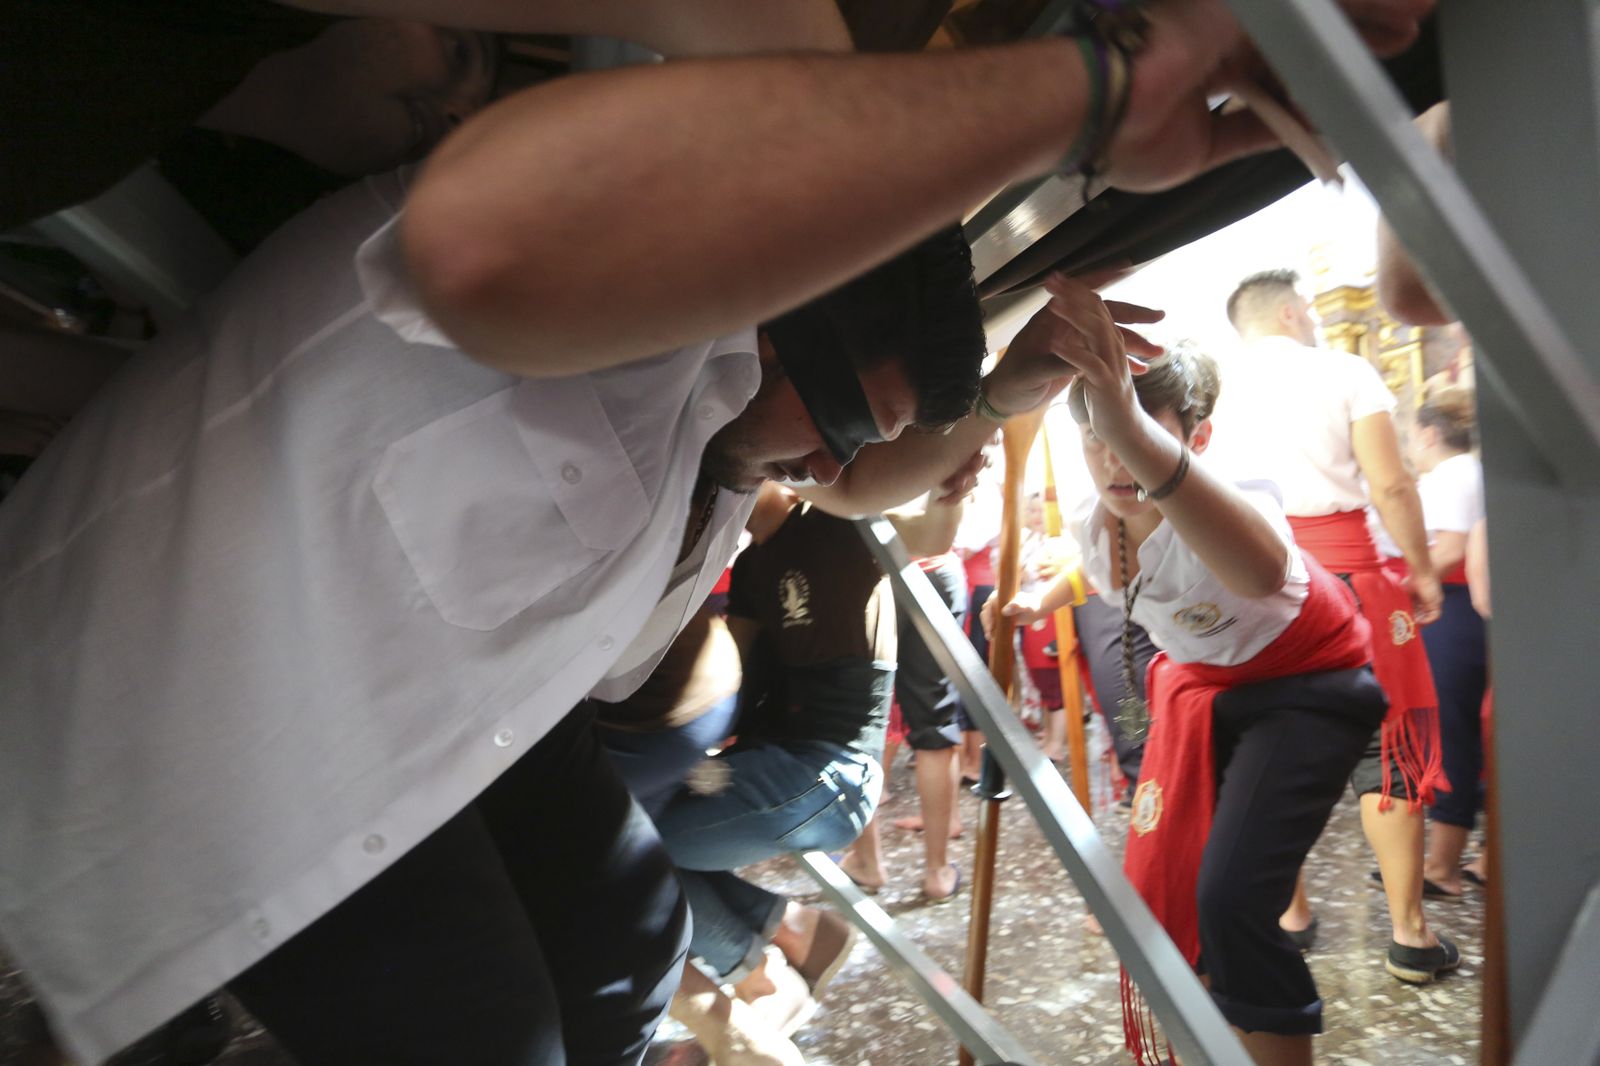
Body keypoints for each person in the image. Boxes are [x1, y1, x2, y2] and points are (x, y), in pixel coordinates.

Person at [0, 3, 1437, 1058]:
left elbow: (852, 481)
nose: (826, 455)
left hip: (377, 727)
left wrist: (1018, 386)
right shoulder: (597, 306)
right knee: (479, 1027)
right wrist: (1090, 92)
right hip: (188, 718)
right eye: (827, 406)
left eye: (848, 433)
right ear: (761, 300)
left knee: (631, 948)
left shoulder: (701, 457)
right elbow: (498, 242)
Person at [994, 278, 1386, 1066]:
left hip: (1306, 692)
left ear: (1194, 439)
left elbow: (1256, 569)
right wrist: (1043, 597)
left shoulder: (1235, 503)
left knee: (1232, 899)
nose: (1111, 456)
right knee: (1189, 886)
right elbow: (1108, 574)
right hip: (1210, 692)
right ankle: (1215, 1027)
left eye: (1129, 432)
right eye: (1095, 437)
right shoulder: (1094, 519)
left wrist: (1132, 428)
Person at [1217, 267, 1456, 982]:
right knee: (1390, 745)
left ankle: (1290, 918)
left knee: (1266, 741)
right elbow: (1390, 483)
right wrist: (1420, 569)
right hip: (1350, 577)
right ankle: (1410, 936)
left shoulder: (1213, 387)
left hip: (1257, 588)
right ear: (1294, 312)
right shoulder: (1342, 370)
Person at [652, 484, 891, 1054]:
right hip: (775, 757)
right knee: (627, 838)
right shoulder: (754, 561)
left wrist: (953, 487)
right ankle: (787, 936)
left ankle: (760, 971)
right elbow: (730, 678)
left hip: (835, 770)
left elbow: (932, 532)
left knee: (636, 851)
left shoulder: (838, 515)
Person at [838, 492, 969, 902]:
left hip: (869, 568)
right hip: (935, 570)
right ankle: (936, 870)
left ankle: (867, 861)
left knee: (859, 720)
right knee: (935, 723)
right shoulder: (948, 428)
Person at [1407, 390, 1488, 896]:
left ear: (1431, 433)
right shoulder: (1466, 473)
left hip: (1453, 606)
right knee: (1461, 733)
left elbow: (1451, 549)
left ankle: (1444, 866)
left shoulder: (1455, 474)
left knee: (1450, 732)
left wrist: (1397, 585)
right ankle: (1473, 858)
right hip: (1456, 607)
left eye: (1414, 435)